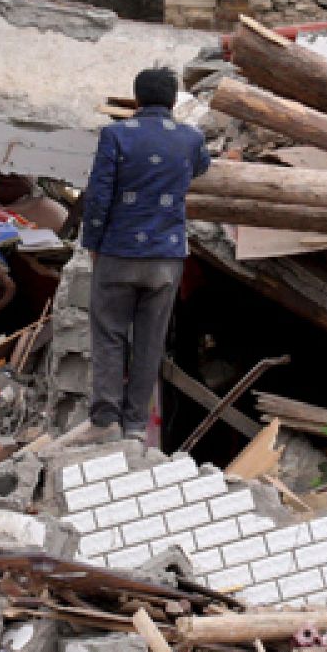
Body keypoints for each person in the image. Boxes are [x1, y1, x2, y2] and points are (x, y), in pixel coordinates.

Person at [79, 67, 211, 441]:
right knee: (150, 343)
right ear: (173, 101)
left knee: (109, 334)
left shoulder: (116, 135)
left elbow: (99, 195)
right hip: (166, 258)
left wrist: (93, 243)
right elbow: (202, 166)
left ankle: (106, 419)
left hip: (119, 251)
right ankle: (136, 426)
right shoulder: (190, 138)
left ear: (136, 98)